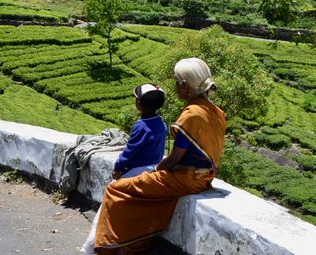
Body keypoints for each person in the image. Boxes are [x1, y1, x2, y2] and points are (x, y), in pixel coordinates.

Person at [93, 57, 226, 255]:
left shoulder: (191, 115)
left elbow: (175, 158)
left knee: (116, 190)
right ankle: (136, 243)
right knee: (148, 193)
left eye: (176, 82)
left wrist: (157, 169)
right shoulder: (215, 111)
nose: (175, 86)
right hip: (204, 176)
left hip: (187, 177)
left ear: (184, 86)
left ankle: (108, 247)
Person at [81, 83, 168, 254]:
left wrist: (118, 168)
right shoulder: (160, 123)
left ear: (139, 104)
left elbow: (129, 152)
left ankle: (94, 245)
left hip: (135, 172)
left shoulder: (140, 126)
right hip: (152, 171)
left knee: (107, 206)